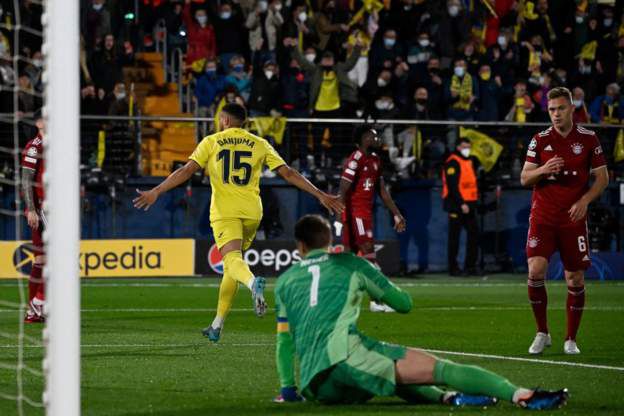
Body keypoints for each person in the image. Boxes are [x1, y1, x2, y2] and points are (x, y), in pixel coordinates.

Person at [273, 214, 568, 410]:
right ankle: (523, 395)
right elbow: (404, 304)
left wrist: (288, 389)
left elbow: (283, 342)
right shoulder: (351, 264)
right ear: (329, 241)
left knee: (391, 369)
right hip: (344, 359)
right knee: (440, 368)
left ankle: (448, 398)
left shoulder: (285, 281)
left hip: (318, 385)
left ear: (299, 246)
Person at [133, 103, 343, 342]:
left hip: (225, 211)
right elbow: (289, 174)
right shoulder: (260, 143)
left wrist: (157, 191)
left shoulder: (211, 141)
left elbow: (186, 171)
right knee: (233, 263)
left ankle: (253, 283)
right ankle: (217, 325)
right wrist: (320, 194)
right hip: (252, 213)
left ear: (224, 120)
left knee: (232, 261)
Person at [520, 87, 608, 355]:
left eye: (560, 109)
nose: (556, 114)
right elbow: (524, 178)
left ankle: (571, 338)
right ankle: (542, 332)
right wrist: (544, 170)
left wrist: (584, 201)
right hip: (543, 217)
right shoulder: (539, 139)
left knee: (575, 278)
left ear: (571, 109)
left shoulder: (589, 138)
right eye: (551, 110)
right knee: (535, 271)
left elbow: (602, 178)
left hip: (572, 219)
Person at [338, 125, 406, 312]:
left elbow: (382, 191)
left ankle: (338, 297)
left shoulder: (376, 160)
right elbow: (343, 187)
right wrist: (339, 214)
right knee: (367, 251)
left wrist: (396, 213)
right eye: (372, 136)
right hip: (355, 213)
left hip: (365, 213)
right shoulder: (356, 158)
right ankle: (377, 300)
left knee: (350, 257)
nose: (377, 139)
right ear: (363, 138)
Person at [441, 138, 479, 276]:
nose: (467, 149)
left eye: (468, 146)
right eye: (464, 147)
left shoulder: (469, 161)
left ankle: (470, 266)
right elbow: (452, 186)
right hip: (456, 205)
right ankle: (453, 268)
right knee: (454, 238)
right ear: (458, 147)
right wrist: (461, 203)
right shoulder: (452, 161)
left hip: (469, 204)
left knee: (474, 235)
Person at [22, 116, 46, 323]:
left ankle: (34, 309)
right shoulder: (34, 146)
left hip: (53, 208)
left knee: (41, 259)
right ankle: (39, 302)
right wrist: (31, 209)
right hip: (41, 210)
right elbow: (26, 179)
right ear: (39, 123)